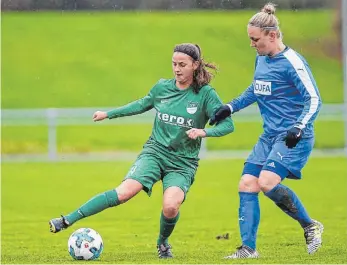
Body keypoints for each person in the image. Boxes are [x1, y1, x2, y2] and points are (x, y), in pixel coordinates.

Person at [49, 43, 234, 259]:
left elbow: (228, 125)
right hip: (155, 153)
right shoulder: (162, 88)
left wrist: (204, 133)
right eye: (174, 64)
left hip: (183, 162)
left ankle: (162, 243)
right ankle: (66, 220)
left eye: (182, 64)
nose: (176, 69)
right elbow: (139, 105)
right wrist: (108, 114)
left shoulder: (205, 94)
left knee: (171, 206)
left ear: (195, 65)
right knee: (124, 192)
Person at [209, 3, 323, 259]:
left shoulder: (293, 62)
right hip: (269, 136)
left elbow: (314, 99)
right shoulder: (261, 57)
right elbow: (256, 88)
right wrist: (230, 107)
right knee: (247, 183)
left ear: (272, 35)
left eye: (255, 39)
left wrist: (299, 126)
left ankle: (310, 225)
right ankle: (248, 249)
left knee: (267, 182)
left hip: (293, 137)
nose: (252, 44)